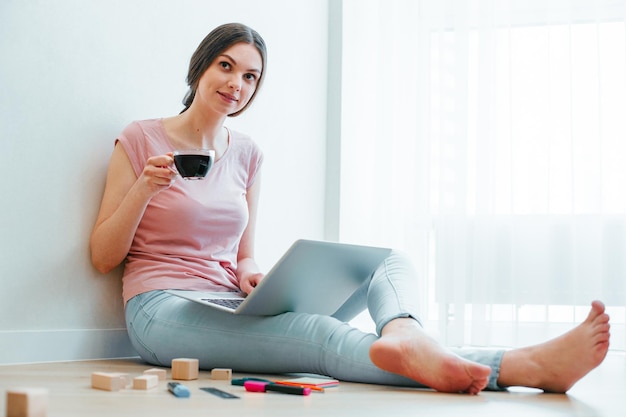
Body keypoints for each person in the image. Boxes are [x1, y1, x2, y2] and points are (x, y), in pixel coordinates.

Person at [90, 22, 611, 395]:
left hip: (230, 301)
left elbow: (242, 255)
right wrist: (144, 189)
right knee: (314, 337)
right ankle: (523, 367)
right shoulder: (141, 138)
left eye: (250, 76)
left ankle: (404, 331)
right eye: (226, 67)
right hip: (164, 309)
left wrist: (255, 277)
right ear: (200, 68)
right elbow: (102, 256)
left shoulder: (248, 152)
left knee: (387, 259)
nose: (236, 84)